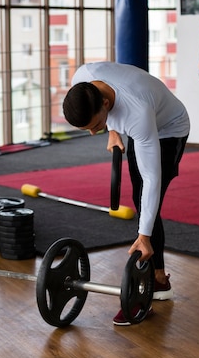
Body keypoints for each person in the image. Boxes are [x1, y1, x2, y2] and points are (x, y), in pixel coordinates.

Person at [62, 61, 190, 326]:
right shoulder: (82, 79)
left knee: (147, 200)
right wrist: (111, 129)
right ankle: (157, 274)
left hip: (169, 128)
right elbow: (108, 111)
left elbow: (152, 179)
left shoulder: (136, 114)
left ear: (106, 105)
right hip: (134, 119)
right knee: (140, 200)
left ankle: (157, 281)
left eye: (96, 125)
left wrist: (144, 237)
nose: (92, 132)